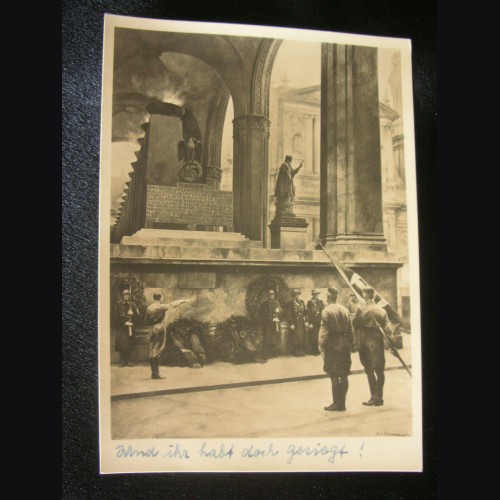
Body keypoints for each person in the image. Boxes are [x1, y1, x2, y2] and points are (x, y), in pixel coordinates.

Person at [353, 286, 392, 406]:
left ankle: (374, 397)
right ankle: (379, 397)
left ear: (365, 296)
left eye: (363, 294)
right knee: (380, 371)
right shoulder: (381, 311)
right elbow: (388, 330)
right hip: (378, 345)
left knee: (369, 371)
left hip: (365, 344)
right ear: (373, 296)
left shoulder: (361, 309)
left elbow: (354, 323)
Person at [318, 287, 354, 411]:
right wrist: (349, 344)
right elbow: (351, 330)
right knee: (344, 375)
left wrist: (321, 345)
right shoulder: (345, 310)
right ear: (336, 297)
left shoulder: (326, 310)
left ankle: (336, 404)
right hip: (344, 343)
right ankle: (342, 404)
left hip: (332, 343)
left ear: (328, 297)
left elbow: (323, 332)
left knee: (333, 374)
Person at [145, 294, 189, 379]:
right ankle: (156, 374)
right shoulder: (161, 306)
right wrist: (183, 300)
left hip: (150, 330)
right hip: (159, 329)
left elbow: (146, 320)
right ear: (160, 298)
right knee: (156, 352)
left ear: (154, 298)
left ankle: (153, 373)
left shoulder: (149, 307)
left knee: (151, 350)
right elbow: (173, 304)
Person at [114, 288, 141, 367]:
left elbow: (138, 317)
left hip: (130, 327)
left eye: (128, 295)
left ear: (129, 296)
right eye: (125, 295)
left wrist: (133, 314)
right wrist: (124, 322)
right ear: (122, 296)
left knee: (129, 344)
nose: (126, 296)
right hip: (121, 327)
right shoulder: (118, 304)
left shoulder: (132, 304)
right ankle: (122, 360)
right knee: (122, 344)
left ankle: (128, 360)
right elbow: (115, 317)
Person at [259, 290, 282, 359]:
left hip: (275, 324)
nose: (272, 296)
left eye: (273, 294)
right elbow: (263, 315)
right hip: (267, 325)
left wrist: (279, 313)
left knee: (274, 338)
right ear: (268, 296)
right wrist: (271, 319)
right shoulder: (264, 304)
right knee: (267, 339)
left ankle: (273, 353)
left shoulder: (277, 303)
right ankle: (266, 354)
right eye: (270, 295)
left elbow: (281, 313)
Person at [286, 289, 307, 356]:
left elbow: (305, 312)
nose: (297, 296)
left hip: (301, 322)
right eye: (296, 294)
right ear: (293, 296)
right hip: (295, 322)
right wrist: (291, 323)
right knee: (296, 337)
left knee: (301, 337)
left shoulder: (302, 302)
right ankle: (296, 351)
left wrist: (306, 321)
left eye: (298, 294)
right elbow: (288, 314)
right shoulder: (290, 303)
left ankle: (301, 350)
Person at [306, 289, 324, 355]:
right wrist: (310, 323)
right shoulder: (310, 302)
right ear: (313, 295)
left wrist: (322, 320)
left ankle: (318, 349)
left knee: (319, 336)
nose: (316, 295)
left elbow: (323, 311)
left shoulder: (320, 302)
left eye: (317, 294)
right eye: (315, 294)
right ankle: (314, 350)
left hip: (319, 322)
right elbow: (308, 313)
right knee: (313, 337)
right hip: (313, 322)